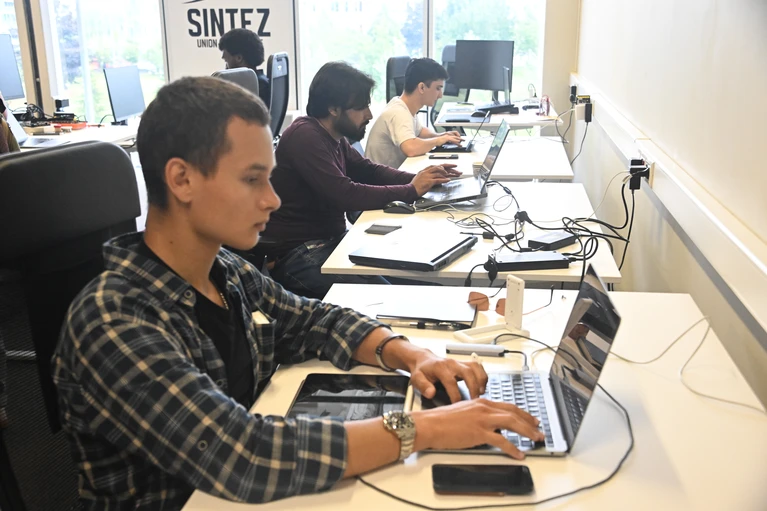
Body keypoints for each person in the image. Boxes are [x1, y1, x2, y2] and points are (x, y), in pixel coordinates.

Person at [51, 76, 543, 510]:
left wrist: (413, 355)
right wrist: (426, 429)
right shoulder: (113, 321)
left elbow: (313, 319)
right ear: (182, 179)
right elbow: (241, 455)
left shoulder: (223, 270)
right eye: (252, 180)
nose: (273, 199)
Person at [263, 61, 461, 298]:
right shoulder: (305, 136)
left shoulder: (332, 136)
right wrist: (411, 189)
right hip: (299, 255)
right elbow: (344, 194)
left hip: (331, 243)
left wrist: (423, 180)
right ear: (333, 109)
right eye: (361, 107)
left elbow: (369, 171)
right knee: (391, 298)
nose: (369, 114)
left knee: (423, 284)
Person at [365, 58, 463, 168]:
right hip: (380, 178)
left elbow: (419, 131)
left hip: (392, 174)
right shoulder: (398, 113)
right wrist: (438, 140)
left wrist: (441, 136)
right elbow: (410, 148)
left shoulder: (403, 105)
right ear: (422, 87)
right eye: (437, 88)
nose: (440, 95)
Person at [219, 28, 271, 108]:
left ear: (239, 58)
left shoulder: (252, 89)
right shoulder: (262, 82)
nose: (226, 67)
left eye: (226, 61)